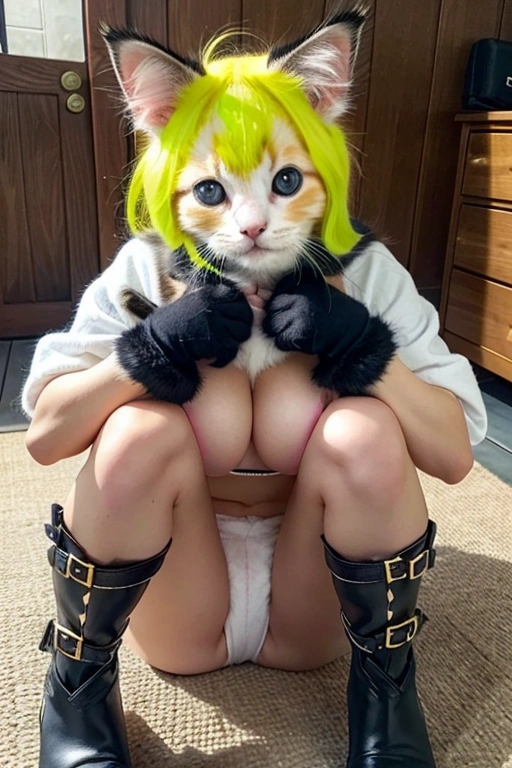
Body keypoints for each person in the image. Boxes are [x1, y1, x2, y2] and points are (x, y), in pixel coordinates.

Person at [22, 10, 487, 768]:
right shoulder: (148, 267)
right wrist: (143, 354)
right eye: (212, 188)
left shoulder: (367, 271)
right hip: (178, 582)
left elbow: (454, 454)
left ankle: (388, 694)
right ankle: (75, 685)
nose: (250, 223)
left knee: (364, 430)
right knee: (137, 429)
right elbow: (45, 436)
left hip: (321, 590)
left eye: (284, 182)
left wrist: (370, 355)